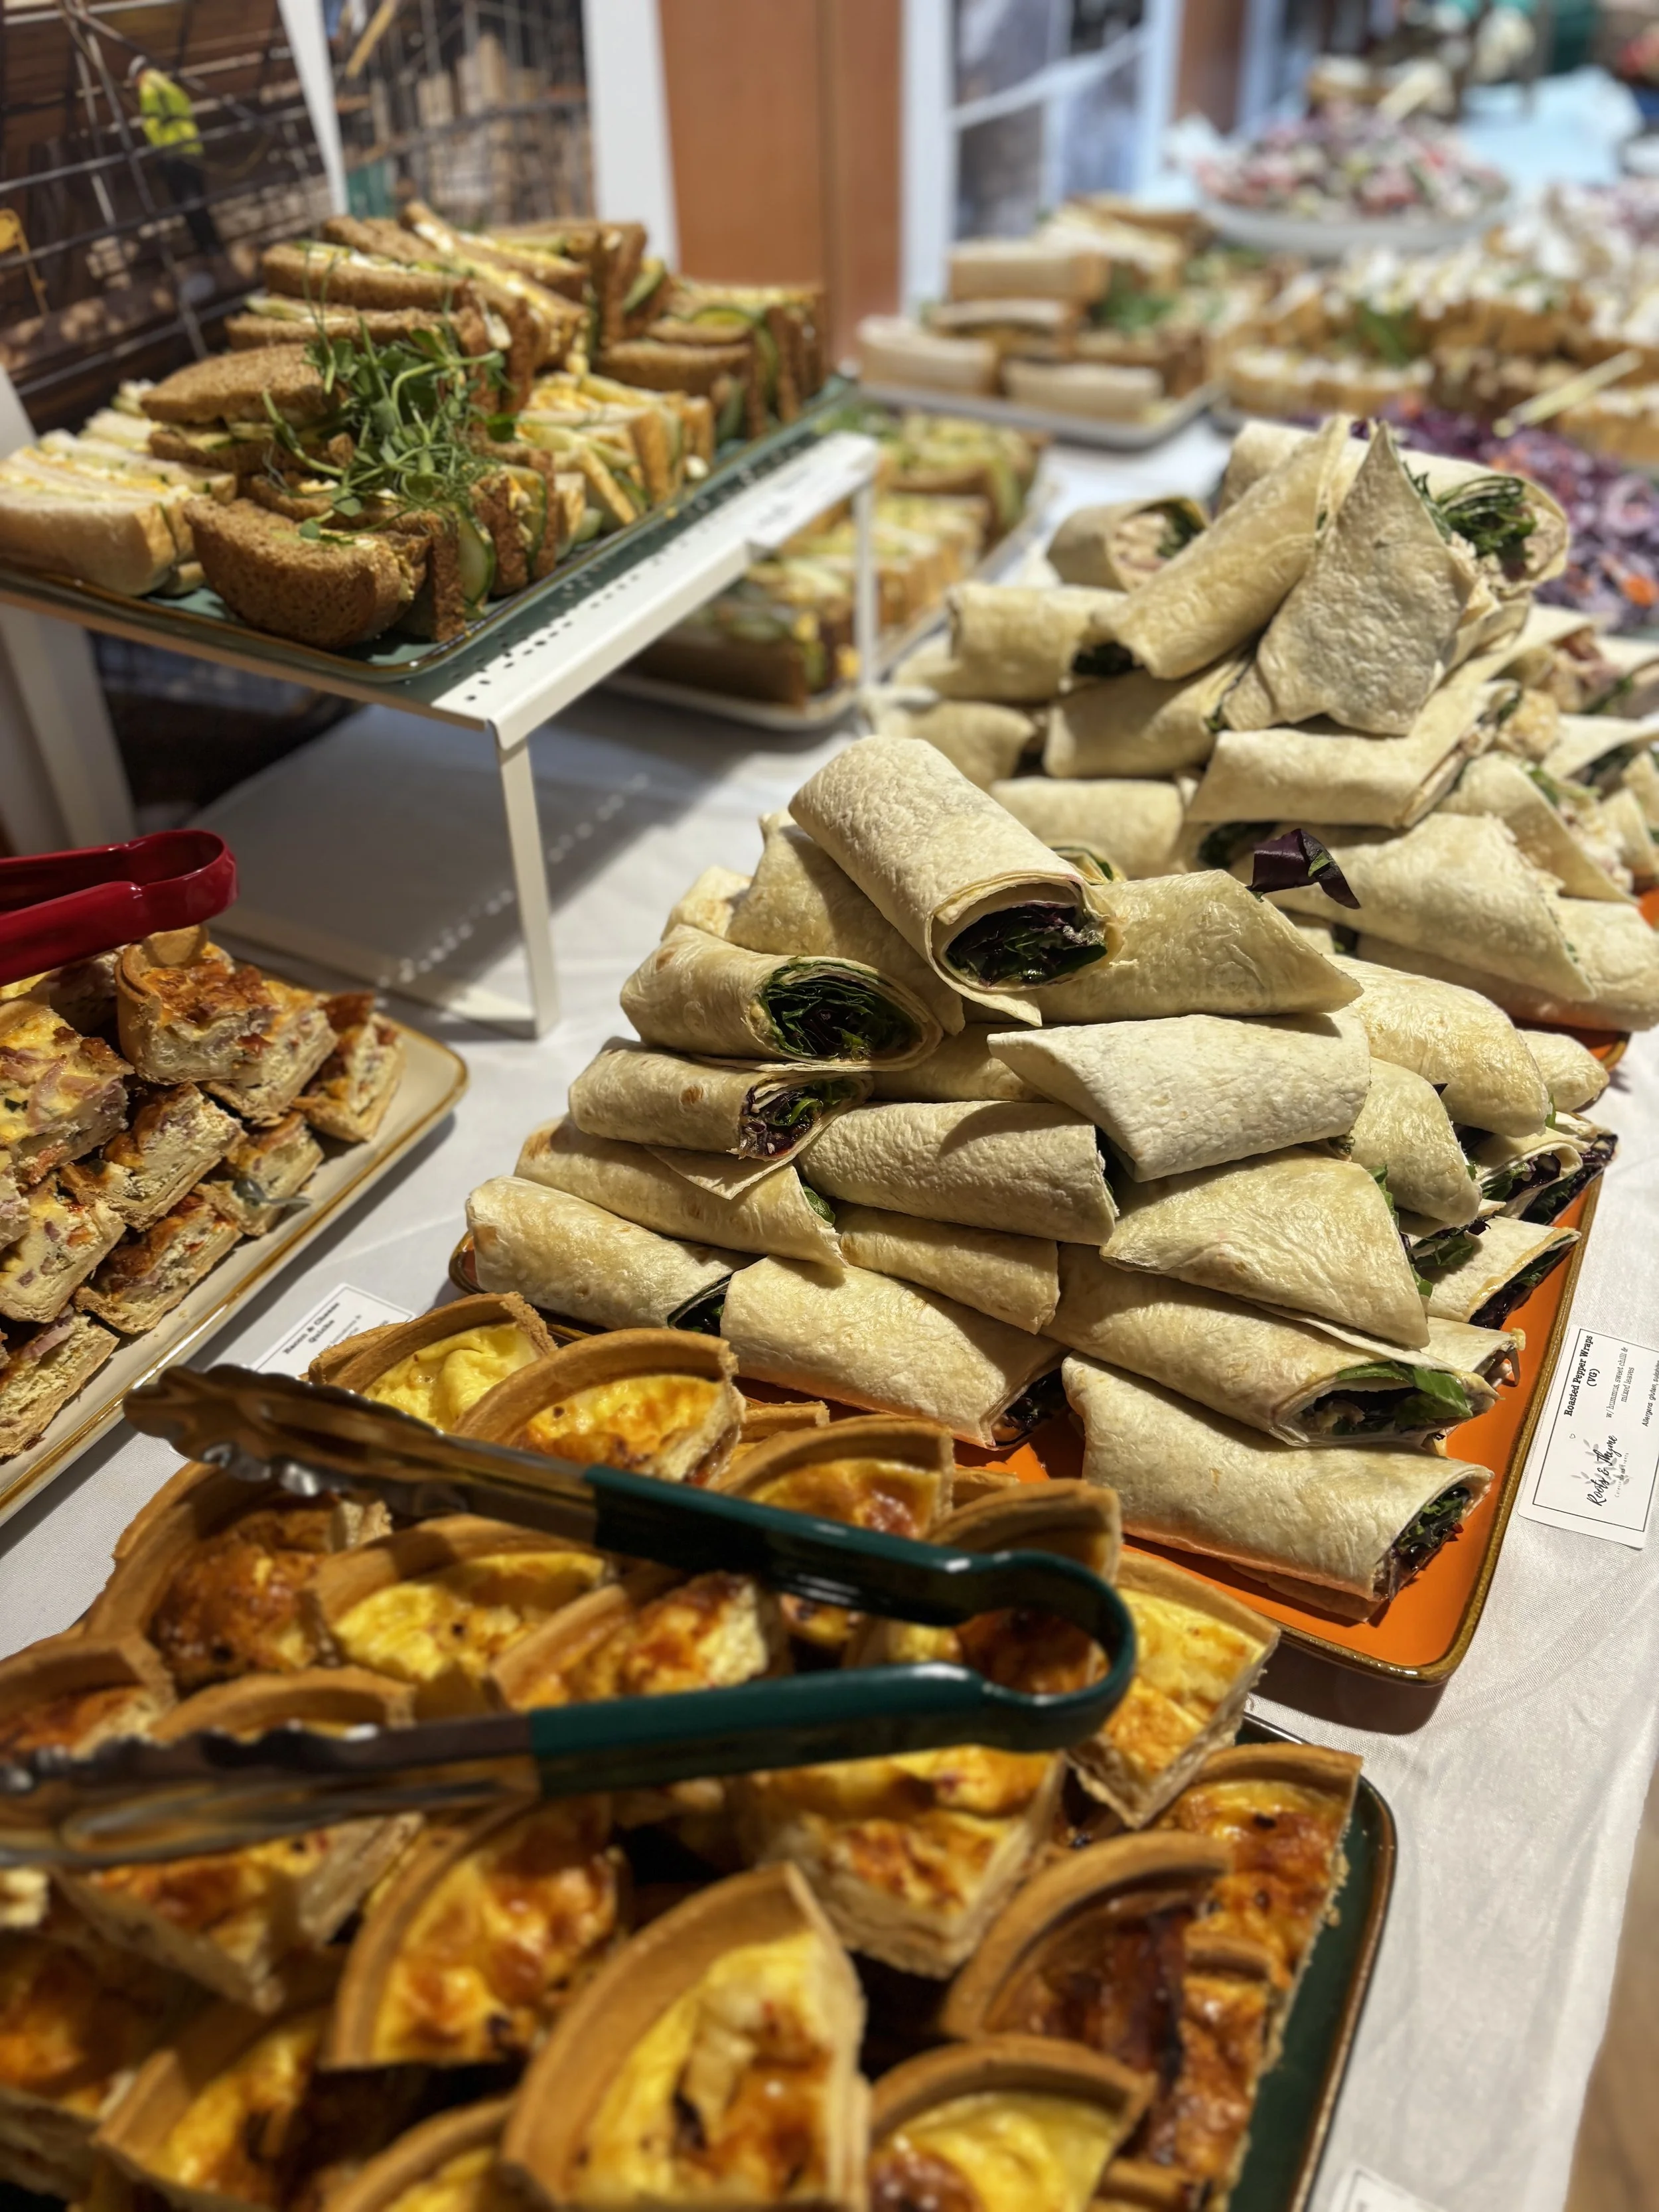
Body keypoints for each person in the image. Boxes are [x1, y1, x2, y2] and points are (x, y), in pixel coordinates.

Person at [129, 54, 222, 257]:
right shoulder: (169, 86)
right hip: (191, 147)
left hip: (173, 151)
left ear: (139, 75)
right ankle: (214, 244)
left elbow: (153, 124)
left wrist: (158, 151)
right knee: (199, 201)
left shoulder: (148, 88)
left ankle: (207, 248)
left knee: (188, 204)